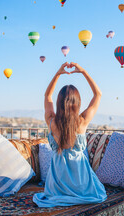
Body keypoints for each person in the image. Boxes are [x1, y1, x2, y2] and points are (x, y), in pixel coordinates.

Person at [33, 62, 107, 207]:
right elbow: (98, 94)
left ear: (59, 102)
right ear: (77, 103)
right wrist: (83, 71)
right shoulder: (82, 122)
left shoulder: (51, 121)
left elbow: (47, 95)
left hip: (57, 184)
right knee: (99, 191)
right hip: (81, 182)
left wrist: (58, 73)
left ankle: (62, 196)